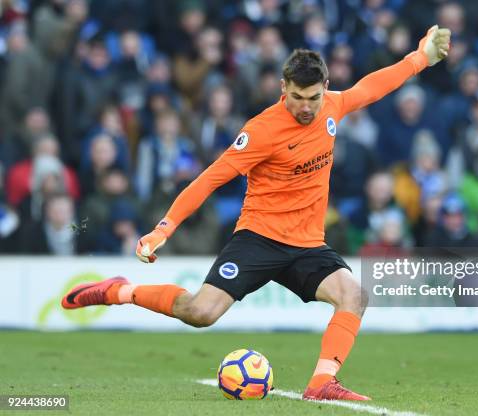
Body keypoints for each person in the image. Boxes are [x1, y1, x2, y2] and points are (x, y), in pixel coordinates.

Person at [61, 25, 452, 401]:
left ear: (325, 89)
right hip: (258, 238)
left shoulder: (333, 107)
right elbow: (210, 178)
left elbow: (373, 86)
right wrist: (163, 228)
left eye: (313, 97)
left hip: (307, 244)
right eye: (297, 96)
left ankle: (322, 382)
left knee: (354, 294)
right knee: (200, 312)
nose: (305, 106)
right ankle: (120, 291)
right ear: (283, 89)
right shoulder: (262, 130)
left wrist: (419, 58)